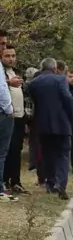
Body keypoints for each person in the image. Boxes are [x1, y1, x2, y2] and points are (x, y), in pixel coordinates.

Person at [27, 57, 73, 200]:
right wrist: (70, 117)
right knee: (63, 154)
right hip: (61, 122)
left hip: (42, 124)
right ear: (54, 69)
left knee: (48, 154)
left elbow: (32, 103)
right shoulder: (60, 80)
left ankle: (50, 183)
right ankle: (61, 183)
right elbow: (67, 99)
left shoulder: (32, 84)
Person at [2, 45, 29, 194]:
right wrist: (8, 83)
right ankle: (4, 181)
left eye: (13, 55)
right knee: (6, 150)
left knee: (16, 150)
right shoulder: (2, 73)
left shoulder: (15, 72)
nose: (11, 59)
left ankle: (16, 181)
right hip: (6, 117)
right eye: (7, 56)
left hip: (19, 117)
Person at [0, 28, 17, 202]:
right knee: (2, 153)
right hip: (4, 113)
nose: (3, 47)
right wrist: (9, 109)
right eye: (1, 44)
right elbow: (2, 90)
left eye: (5, 43)